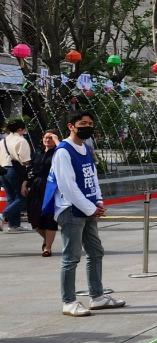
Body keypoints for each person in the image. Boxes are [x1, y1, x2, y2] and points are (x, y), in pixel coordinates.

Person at [45, 110, 124, 317]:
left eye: (90, 123)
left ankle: (97, 297)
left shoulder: (86, 148)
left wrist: (97, 201)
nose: (87, 126)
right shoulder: (63, 151)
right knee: (71, 257)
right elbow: (67, 186)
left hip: (88, 208)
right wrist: (92, 208)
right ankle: (69, 301)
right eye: (82, 123)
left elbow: (92, 176)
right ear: (71, 126)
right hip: (71, 210)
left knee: (95, 251)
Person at [26, 131, 60, 256]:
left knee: (49, 216)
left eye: (51, 138)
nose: (47, 139)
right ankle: (46, 240)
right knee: (34, 218)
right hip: (36, 186)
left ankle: (48, 247)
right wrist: (26, 182)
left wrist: (58, 142)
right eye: (46, 137)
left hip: (51, 186)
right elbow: (30, 168)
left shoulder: (59, 152)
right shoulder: (38, 152)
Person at [1, 118, 33, 231]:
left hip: (3, 171)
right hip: (15, 171)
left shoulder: (3, 141)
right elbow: (25, 161)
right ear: (20, 129)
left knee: (11, 198)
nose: (25, 131)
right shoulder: (21, 141)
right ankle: (3, 215)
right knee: (22, 198)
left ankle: (14, 225)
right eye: (24, 129)